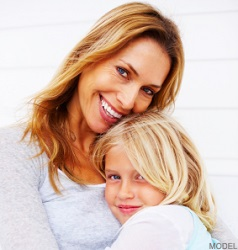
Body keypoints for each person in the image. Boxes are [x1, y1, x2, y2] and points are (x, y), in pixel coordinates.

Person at [0, 2, 236, 250]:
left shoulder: (149, 152)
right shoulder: (15, 151)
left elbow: (224, 241)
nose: (127, 101)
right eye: (123, 72)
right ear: (87, 55)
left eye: (147, 90)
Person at [91, 109, 220, 249]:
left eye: (141, 176)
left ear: (174, 176)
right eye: (115, 177)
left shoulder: (159, 221)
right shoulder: (180, 219)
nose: (123, 193)